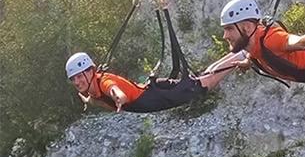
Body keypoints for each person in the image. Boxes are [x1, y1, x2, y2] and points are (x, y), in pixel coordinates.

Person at [65, 51, 222, 113]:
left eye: (79, 76)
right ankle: (239, 56)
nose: (77, 82)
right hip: (151, 91)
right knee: (200, 79)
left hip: (155, 96)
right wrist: (89, 101)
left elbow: (112, 89)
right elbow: (98, 97)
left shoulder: (104, 81)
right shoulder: (93, 89)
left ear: (90, 71)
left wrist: (119, 97)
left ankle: (240, 56)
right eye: (73, 79)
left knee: (200, 86)